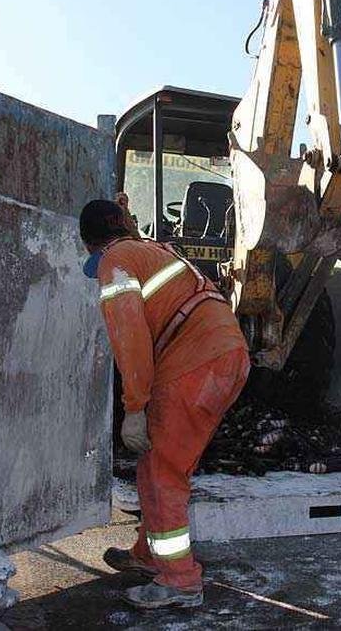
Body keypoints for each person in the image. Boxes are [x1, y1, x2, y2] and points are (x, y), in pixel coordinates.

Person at [79, 198, 249, 610]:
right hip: (223, 356)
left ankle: (180, 581)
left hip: (194, 364)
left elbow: (130, 339)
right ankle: (148, 554)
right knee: (159, 464)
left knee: (163, 474)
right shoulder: (151, 249)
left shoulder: (115, 262)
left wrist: (134, 408)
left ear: (90, 245)